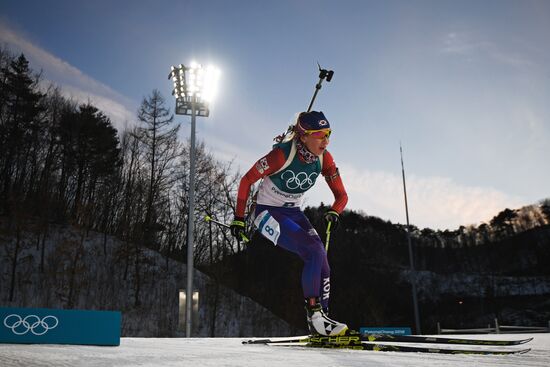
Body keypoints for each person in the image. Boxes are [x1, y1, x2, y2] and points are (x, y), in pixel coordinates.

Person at [230, 111, 349, 336]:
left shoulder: (325, 158)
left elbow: (342, 196)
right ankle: (315, 317)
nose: (326, 140)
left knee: (322, 259)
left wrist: (335, 211)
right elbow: (247, 180)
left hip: (293, 212)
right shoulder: (281, 156)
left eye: (329, 133)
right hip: (266, 213)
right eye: (320, 135)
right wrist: (239, 218)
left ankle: (321, 320)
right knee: (313, 250)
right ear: (303, 137)